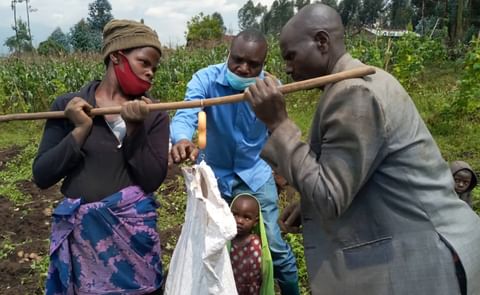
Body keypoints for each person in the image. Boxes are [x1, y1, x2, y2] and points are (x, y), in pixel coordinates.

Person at [244, 4, 480, 295]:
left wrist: (278, 123)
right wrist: (308, 206)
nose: (288, 68)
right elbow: (350, 172)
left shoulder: (355, 93)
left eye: (291, 56)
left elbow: (330, 196)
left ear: (321, 42)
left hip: (428, 258)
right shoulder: (355, 83)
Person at [32, 19, 169, 294]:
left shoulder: (154, 112)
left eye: (154, 67)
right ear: (117, 57)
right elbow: (42, 175)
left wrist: (135, 130)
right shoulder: (68, 107)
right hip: (85, 247)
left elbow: (152, 179)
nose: (151, 72)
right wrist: (80, 130)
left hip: (134, 247)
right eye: (144, 62)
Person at [169, 29, 300, 294]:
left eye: (253, 65)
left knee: (273, 245)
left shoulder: (270, 89)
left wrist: (282, 169)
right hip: (214, 176)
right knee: (209, 246)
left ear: (264, 64)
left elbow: (277, 130)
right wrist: (183, 138)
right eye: (238, 60)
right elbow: (187, 113)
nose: (243, 68)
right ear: (228, 54)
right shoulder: (206, 80)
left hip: (255, 173)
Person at [229, 193, 274, 295]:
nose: (239, 221)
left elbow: (263, 271)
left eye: (247, 218)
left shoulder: (256, 244)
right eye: (235, 215)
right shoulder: (225, 242)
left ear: (255, 222)